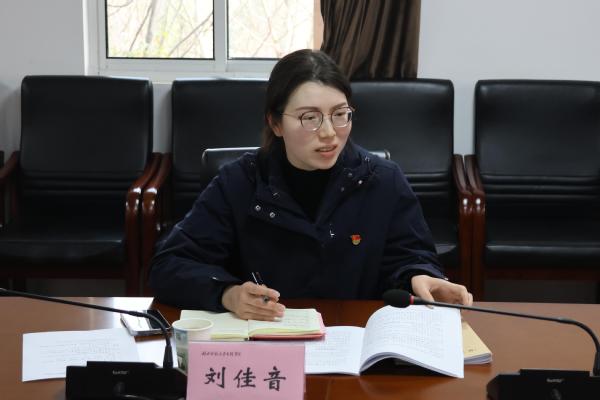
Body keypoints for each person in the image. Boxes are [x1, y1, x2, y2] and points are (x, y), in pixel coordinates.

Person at [149, 49, 472, 320]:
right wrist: (227, 293)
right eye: (310, 118)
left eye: (340, 114)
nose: (329, 133)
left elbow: (412, 255)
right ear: (276, 123)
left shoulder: (382, 180)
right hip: (269, 340)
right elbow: (169, 265)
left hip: (356, 338)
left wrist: (420, 276)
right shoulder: (239, 182)